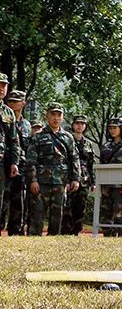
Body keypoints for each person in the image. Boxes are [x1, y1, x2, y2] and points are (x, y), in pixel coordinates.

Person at [25, 102, 80, 236]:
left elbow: (74, 158)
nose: (56, 118)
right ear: (47, 116)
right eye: (53, 114)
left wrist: (76, 179)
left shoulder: (68, 137)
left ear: (62, 117)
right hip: (41, 181)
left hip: (60, 181)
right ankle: (34, 239)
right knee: (37, 212)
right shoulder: (38, 136)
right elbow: (31, 160)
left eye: (59, 115)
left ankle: (53, 240)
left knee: (57, 214)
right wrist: (33, 180)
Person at [98, 117, 122, 237]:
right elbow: (102, 164)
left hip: (120, 185)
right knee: (105, 212)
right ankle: (108, 235)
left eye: (115, 128)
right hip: (106, 184)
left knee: (119, 212)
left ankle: (121, 235)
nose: (112, 130)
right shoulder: (106, 146)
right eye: (110, 128)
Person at [61, 115, 95, 235]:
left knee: (81, 207)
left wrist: (93, 181)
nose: (79, 126)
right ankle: (65, 231)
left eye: (82, 124)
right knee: (67, 205)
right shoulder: (67, 140)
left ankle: (76, 231)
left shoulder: (88, 144)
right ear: (73, 125)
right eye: (77, 123)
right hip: (70, 177)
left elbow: (91, 164)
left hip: (84, 179)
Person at [4, 90, 31, 235]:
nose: (13, 104)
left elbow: (29, 147)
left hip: (21, 166)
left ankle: (16, 229)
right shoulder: (4, 119)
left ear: (23, 104)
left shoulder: (27, 125)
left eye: (16, 101)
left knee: (19, 198)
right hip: (5, 163)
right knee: (4, 198)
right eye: (10, 101)